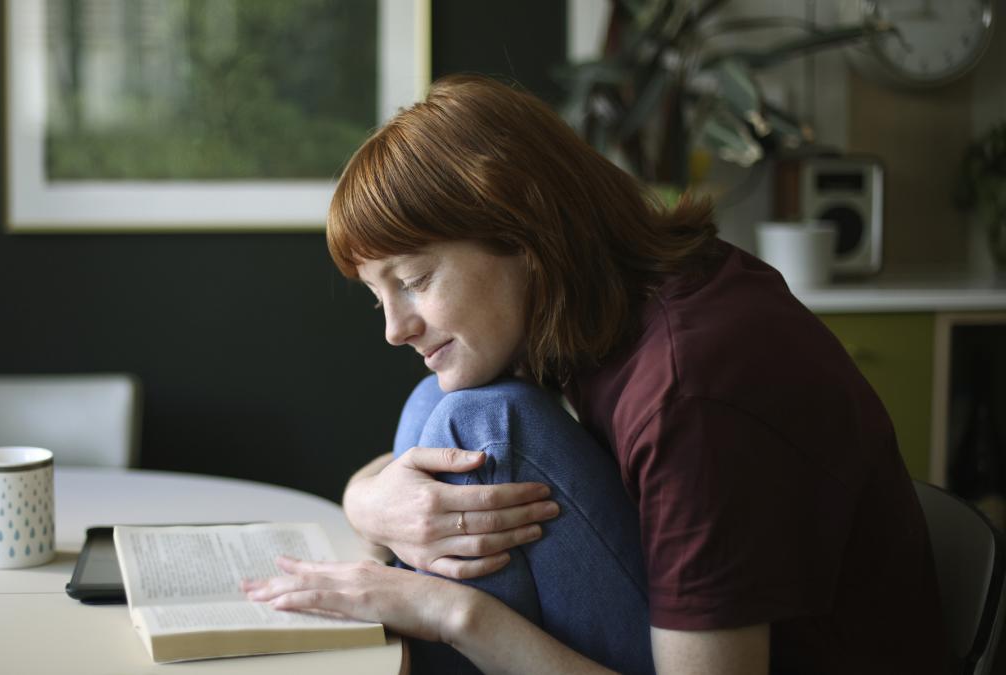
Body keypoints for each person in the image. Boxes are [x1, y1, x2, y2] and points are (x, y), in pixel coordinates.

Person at [242, 74, 947, 674]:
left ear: (518, 227)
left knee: (480, 421)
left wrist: (446, 610)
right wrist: (368, 502)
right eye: (379, 298)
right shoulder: (605, 304)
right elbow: (396, 474)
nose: (396, 328)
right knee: (443, 392)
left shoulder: (690, 388)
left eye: (416, 280)